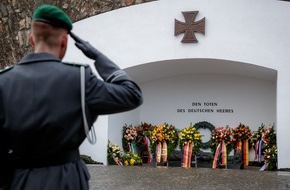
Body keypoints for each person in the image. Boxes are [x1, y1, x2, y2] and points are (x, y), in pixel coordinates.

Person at [0, 4, 143, 190]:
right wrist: (98, 57)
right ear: (64, 42)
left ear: (32, 40)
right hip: (68, 181)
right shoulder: (81, 79)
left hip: (20, 181)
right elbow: (132, 94)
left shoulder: (3, 82)